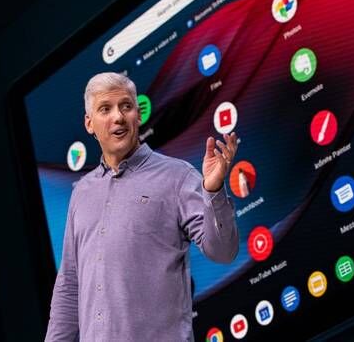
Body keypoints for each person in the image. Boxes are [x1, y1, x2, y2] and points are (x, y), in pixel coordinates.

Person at [45, 72, 239, 341]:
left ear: (137, 115)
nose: (118, 117)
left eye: (126, 106)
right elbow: (69, 286)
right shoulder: (81, 194)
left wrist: (214, 191)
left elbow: (223, 252)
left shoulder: (177, 177)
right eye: (105, 109)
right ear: (89, 123)